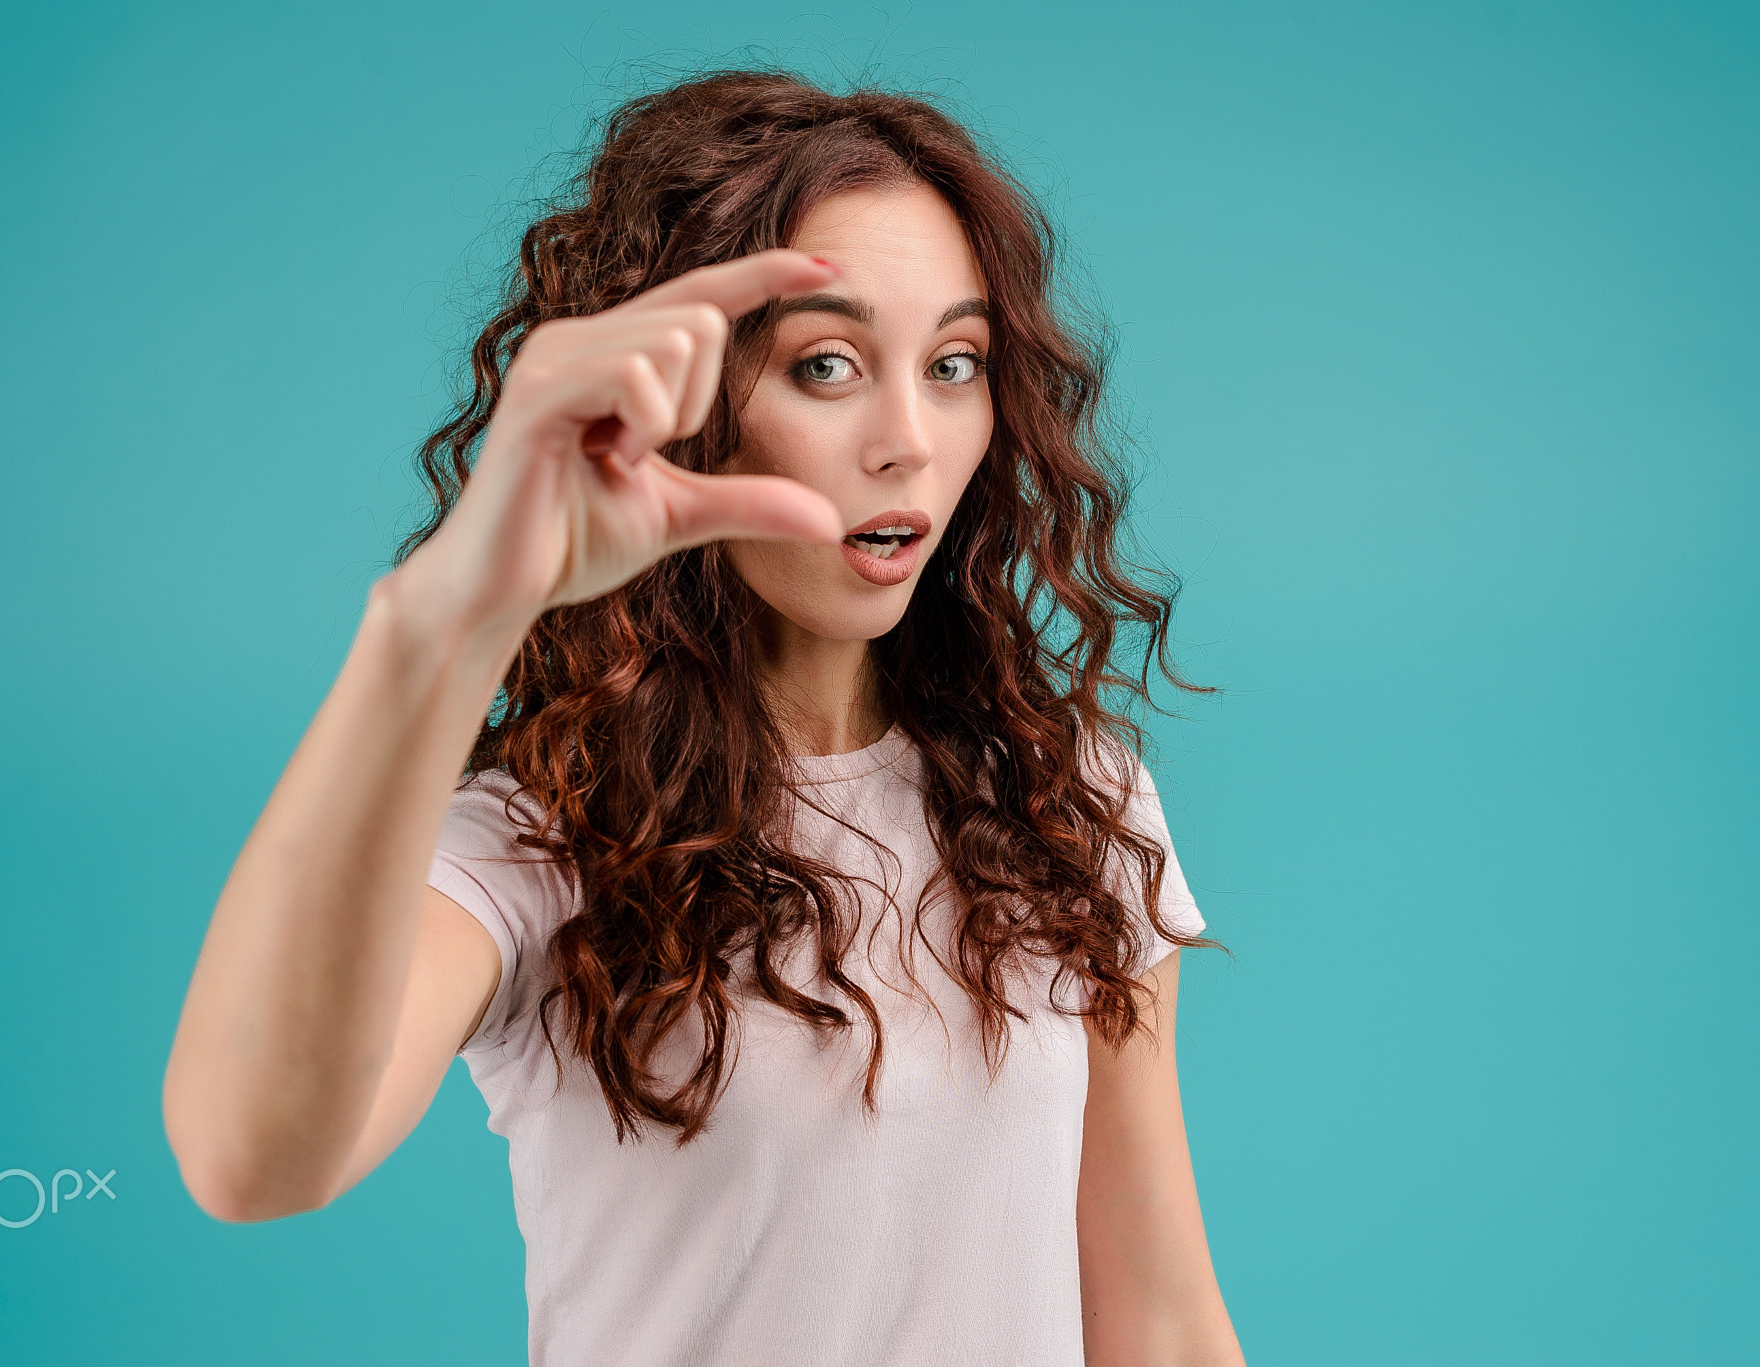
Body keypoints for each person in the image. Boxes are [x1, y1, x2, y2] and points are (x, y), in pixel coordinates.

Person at [163, 70, 1246, 1367]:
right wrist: (443, 616)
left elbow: (1163, 1324)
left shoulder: (1068, 797)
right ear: (678, 409)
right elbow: (251, 1159)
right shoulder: (535, 849)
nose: (910, 437)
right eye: (825, 365)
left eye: (954, 364)